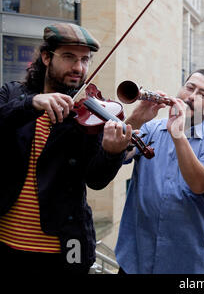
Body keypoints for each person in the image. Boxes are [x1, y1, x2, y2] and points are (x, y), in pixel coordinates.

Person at [0, 23, 132, 274]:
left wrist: (112, 153)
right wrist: (31, 103)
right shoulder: (14, 93)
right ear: (46, 57)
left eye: (85, 60)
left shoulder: (88, 114)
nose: (79, 68)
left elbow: (96, 179)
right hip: (7, 240)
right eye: (69, 57)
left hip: (65, 246)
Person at [115, 69, 204, 274]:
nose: (191, 96)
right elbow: (117, 154)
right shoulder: (150, 128)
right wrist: (137, 117)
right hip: (135, 259)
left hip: (184, 265)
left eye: (203, 95)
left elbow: (199, 184)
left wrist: (178, 134)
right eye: (189, 87)